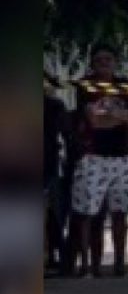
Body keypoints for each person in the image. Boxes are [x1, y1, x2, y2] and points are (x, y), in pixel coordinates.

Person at [69, 44, 128, 277]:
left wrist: (114, 115)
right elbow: (93, 120)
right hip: (94, 156)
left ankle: (120, 264)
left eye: (109, 59)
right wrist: (123, 117)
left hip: (122, 156)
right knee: (89, 213)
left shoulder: (126, 86)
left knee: (121, 212)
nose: (104, 63)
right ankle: (88, 265)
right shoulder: (87, 85)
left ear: (115, 62)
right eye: (99, 60)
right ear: (92, 63)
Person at [44, 77, 72, 273]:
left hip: (49, 165)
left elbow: (67, 133)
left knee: (55, 213)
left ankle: (57, 257)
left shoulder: (54, 105)